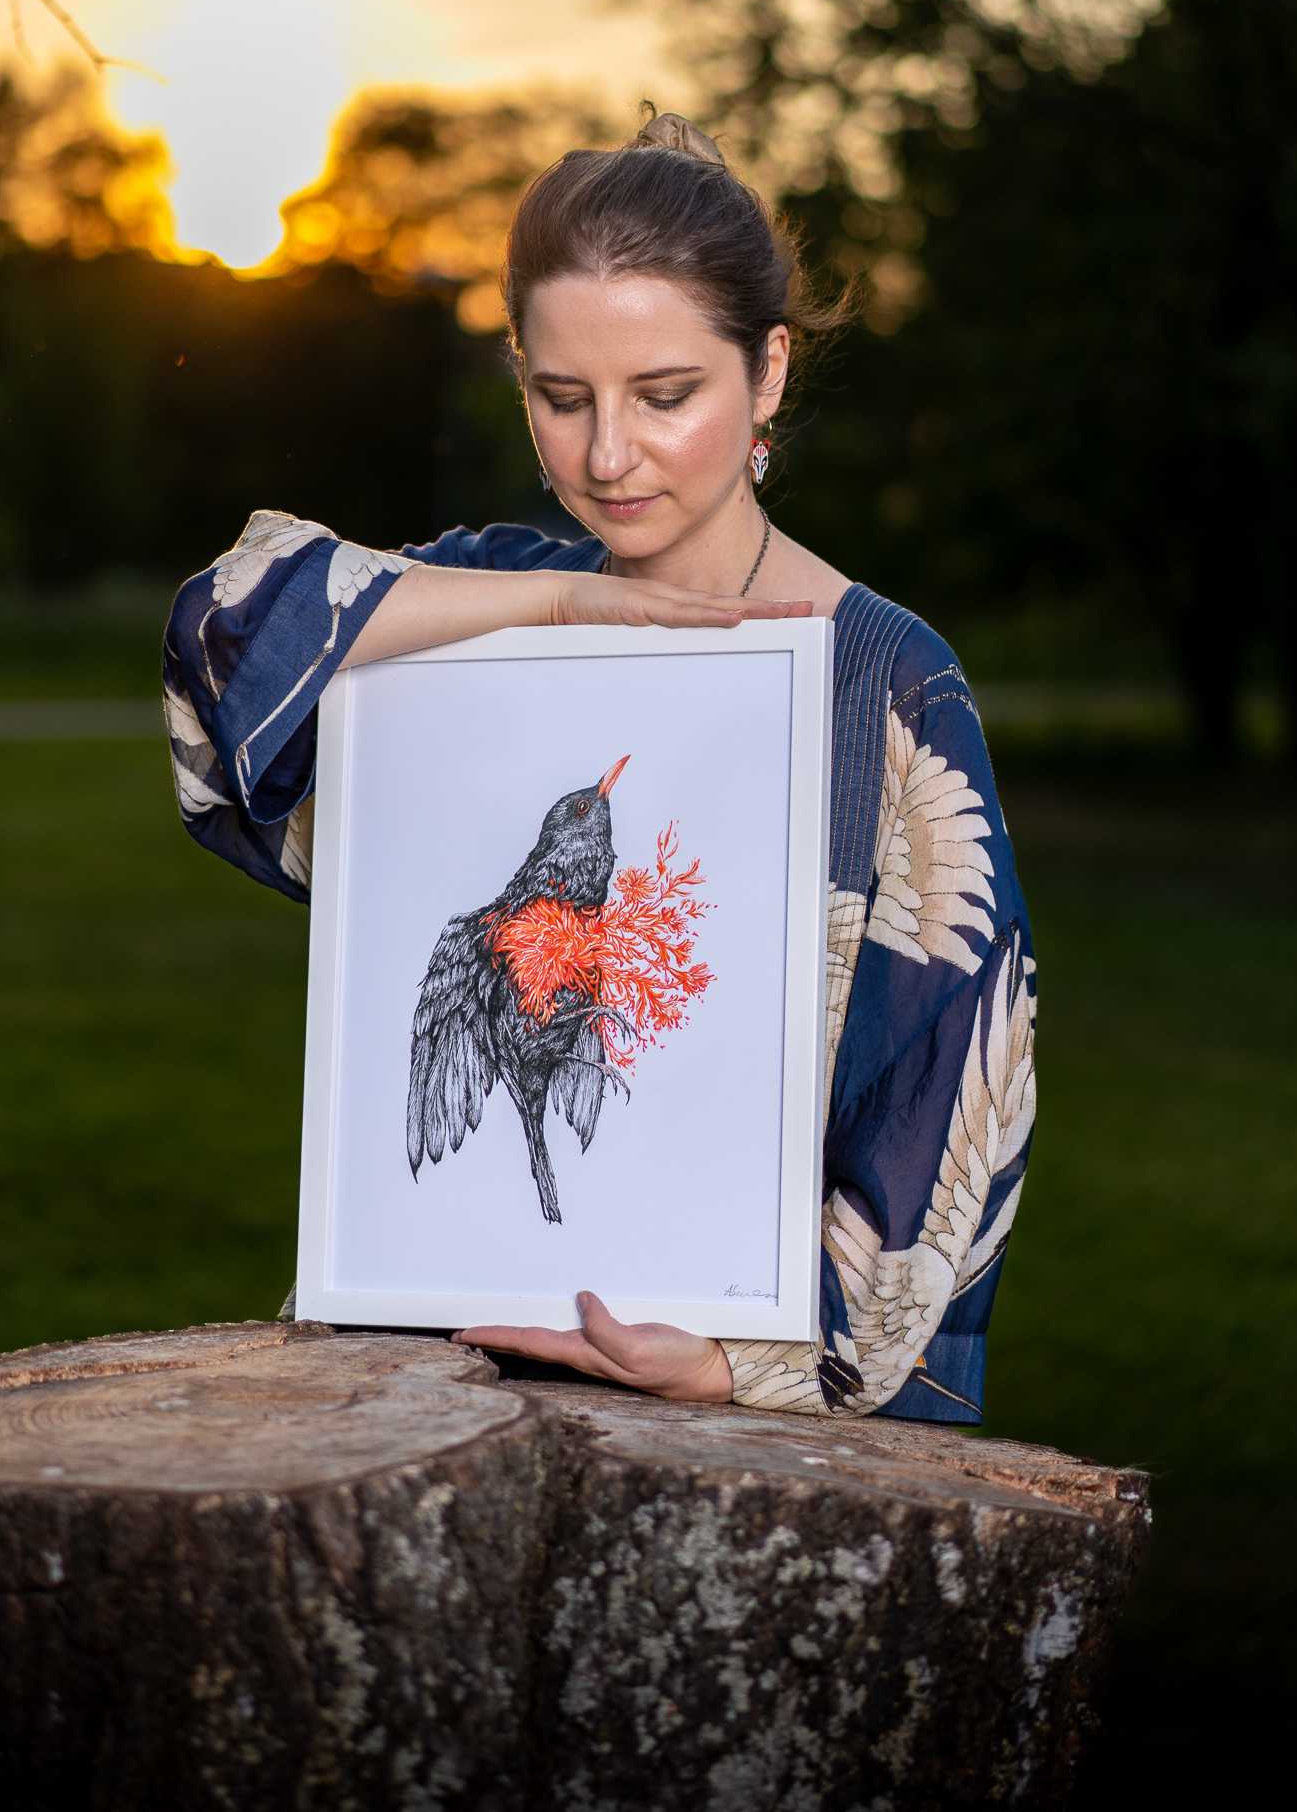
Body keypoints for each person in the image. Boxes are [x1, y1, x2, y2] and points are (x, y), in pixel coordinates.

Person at [161, 107, 1037, 1424]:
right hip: (430, 1361)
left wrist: (736, 1360)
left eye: (665, 395)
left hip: (723, 1407)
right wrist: (564, 614)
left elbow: (954, 1098)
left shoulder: (884, 688)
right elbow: (222, 640)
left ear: (771, 374)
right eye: (561, 398)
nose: (607, 455)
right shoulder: (498, 602)